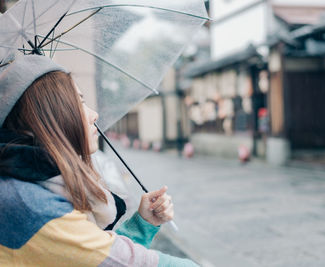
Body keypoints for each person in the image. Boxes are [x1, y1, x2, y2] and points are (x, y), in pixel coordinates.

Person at [0, 55, 198, 266]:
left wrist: (143, 223)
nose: (93, 115)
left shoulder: (33, 183)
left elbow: (95, 257)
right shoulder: (31, 205)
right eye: (80, 102)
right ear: (49, 115)